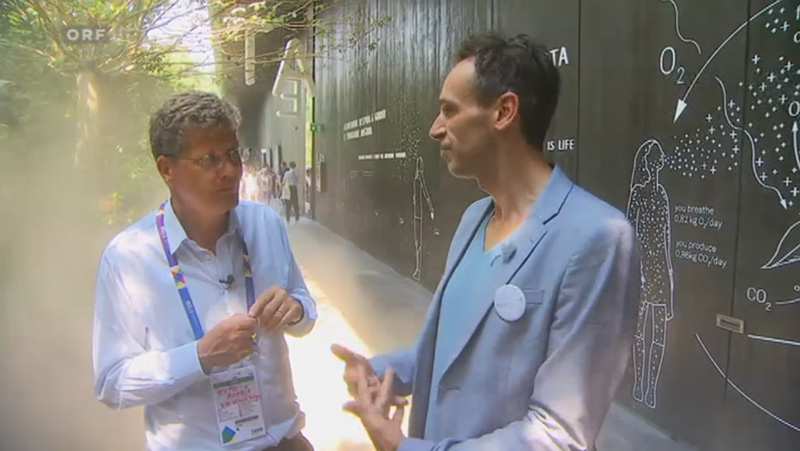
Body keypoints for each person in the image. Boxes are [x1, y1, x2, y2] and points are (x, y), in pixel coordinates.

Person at [333, 33, 640, 451]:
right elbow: (447, 354)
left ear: (504, 112)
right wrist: (381, 370)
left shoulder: (598, 238)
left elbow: (558, 434)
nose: (435, 129)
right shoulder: (473, 220)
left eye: (449, 111)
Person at [92, 92, 317, 451]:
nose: (229, 170)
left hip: (286, 441)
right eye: (209, 159)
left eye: (232, 154)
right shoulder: (129, 257)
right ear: (167, 169)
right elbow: (112, 382)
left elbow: (305, 310)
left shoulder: (266, 225)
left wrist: (297, 308)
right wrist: (199, 357)